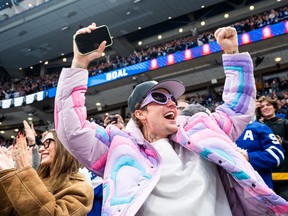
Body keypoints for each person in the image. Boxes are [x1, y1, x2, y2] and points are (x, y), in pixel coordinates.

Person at [54, 23, 288, 215]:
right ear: (139, 113)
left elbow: (238, 108)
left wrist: (232, 55)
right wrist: (79, 64)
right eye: (159, 97)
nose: (171, 103)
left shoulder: (202, 129)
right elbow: (72, 129)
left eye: (172, 99)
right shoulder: (117, 147)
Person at [0, 125, 94, 215]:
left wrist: (25, 170)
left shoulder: (81, 188)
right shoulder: (39, 178)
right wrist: (5, 174)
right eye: (41, 144)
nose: (41, 149)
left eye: (47, 143)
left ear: (64, 146)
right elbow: (8, 211)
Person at [235, 120, 285, 189]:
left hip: (259, 188)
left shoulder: (258, 127)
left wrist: (249, 158)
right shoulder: (220, 131)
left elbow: (277, 153)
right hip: (227, 190)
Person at [256, 95, 288, 201]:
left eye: (268, 105)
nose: (265, 107)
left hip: (285, 176)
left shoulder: (285, 123)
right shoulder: (256, 128)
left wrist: (282, 143)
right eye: (262, 106)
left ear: (274, 107)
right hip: (266, 178)